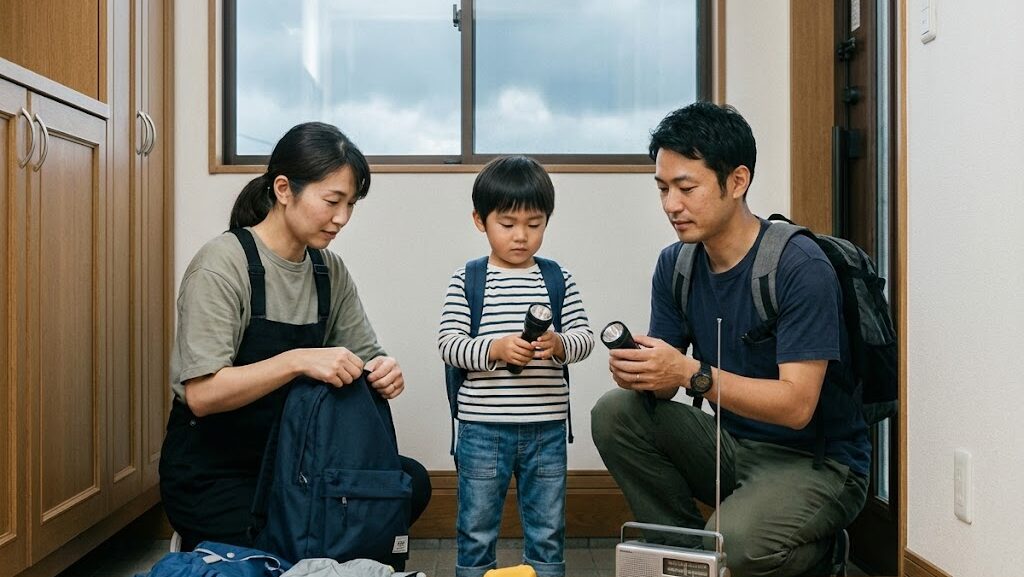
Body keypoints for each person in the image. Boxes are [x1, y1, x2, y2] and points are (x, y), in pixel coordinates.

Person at [590, 102, 869, 577]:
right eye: (662, 188)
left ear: (737, 182)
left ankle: (818, 556)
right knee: (615, 412)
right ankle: (686, 557)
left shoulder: (799, 266)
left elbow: (797, 405)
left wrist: (689, 372)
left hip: (817, 462)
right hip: (732, 443)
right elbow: (666, 388)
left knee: (736, 547)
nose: (671, 205)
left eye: (686, 188)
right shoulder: (676, 265)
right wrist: (648, 372)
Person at [159, 122, 430, 553]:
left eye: (351, 204)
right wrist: (297, 360)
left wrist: (384, 371)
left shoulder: (329, 271)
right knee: (290, 539)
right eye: (332, 201)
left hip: (299, 461)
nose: (342, 218)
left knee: (409, 483)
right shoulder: (222, 265)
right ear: (283, 189)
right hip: (218, 471)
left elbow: (368, 355)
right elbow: (202, 394)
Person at [437, 155, 595, 577]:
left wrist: (559, 343)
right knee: (476, 529)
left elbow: (585, 339)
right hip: (482, 429)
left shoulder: (558, 278)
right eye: (507, 224)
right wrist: (496, 349)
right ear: (480, 220)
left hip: (546, 429)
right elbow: (449, 345)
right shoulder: (467, 279)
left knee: (547, 530)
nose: (521, 236)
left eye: (534, 223)